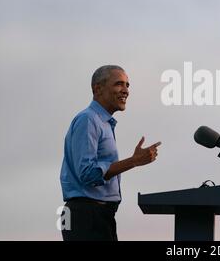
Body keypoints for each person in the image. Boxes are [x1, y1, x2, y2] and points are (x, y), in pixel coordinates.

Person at [60, 65, 161, 241]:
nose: (126, 91)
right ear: (98, 89)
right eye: (118, 84)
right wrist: (133, 161)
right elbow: (88, 174)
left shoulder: (104, 123)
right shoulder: (88, 119)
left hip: (98, 216)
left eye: (128, 85)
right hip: (84, 216)